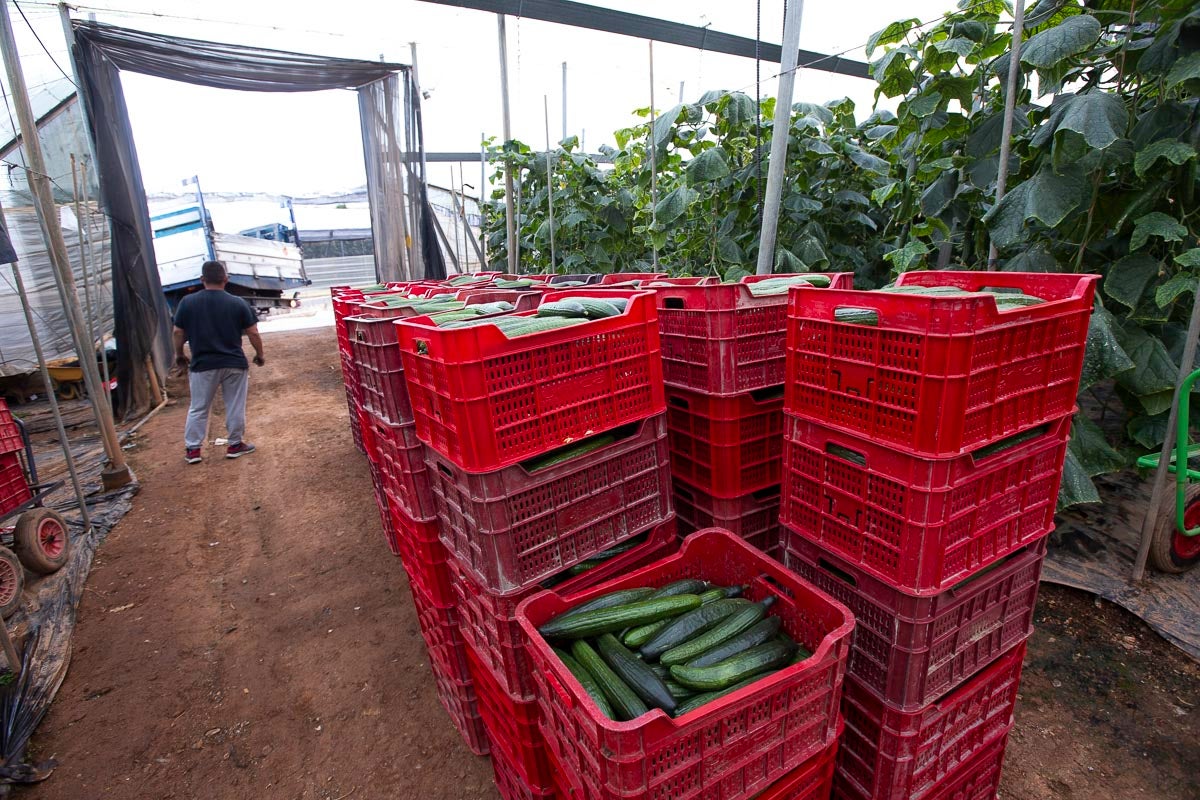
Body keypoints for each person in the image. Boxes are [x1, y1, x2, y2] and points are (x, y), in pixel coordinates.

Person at [172, 260, 265, 464]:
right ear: (226, 279)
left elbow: (178, 332)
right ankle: (234, 445)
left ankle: (193, 450)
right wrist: (260, 354)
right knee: (234, 404)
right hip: (234, 363)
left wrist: (179, 354)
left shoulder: (187, 303)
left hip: (202, 365)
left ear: (202, 280)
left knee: (198, 407)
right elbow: (253, 332)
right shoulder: (237, 303)